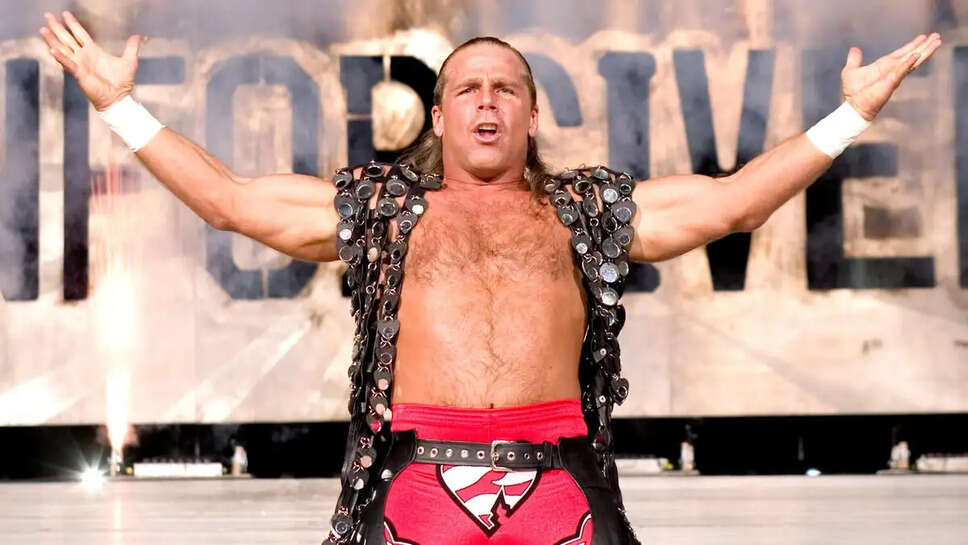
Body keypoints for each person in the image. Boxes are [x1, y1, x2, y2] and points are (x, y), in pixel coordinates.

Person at [39, 11, 940, 545]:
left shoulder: (581, 210)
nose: (485, 101)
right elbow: (232, 201)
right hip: (415, 483)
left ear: (532, 115)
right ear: (438, 115)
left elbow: (732, 204)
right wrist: (118, 105)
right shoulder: (386, 210)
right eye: (467, 89)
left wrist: (848, 116)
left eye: (505, 89)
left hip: (558, 482)